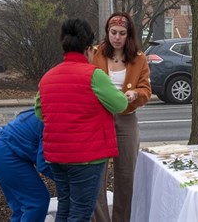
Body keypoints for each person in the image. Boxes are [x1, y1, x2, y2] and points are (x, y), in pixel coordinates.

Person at [35, 18, 128, 221]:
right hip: (86, 157)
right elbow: (120, 104)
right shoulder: (94, 75)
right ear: (88, 49)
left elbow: (40, 112)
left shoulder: (48, 77)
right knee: (80, 212)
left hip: (56, 156)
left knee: (65, 207)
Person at [91, 12, 151, 222]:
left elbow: (146, 89)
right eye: (113, 32)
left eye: (122, 33)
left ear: (129, 35)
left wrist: (136, 93)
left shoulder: (139, 58)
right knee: (96, 176)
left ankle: (123, 219)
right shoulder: (96, 54)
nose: (117, 37)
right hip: (99, 120)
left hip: (126, 118)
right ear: (107, 33)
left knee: (127, 176)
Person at [0, 108, 53, 222]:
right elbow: (44, 164)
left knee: (21, 208)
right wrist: (69, 181)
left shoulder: (43, 111)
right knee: (37, 202)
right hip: (7, 154)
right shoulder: (51, 121)